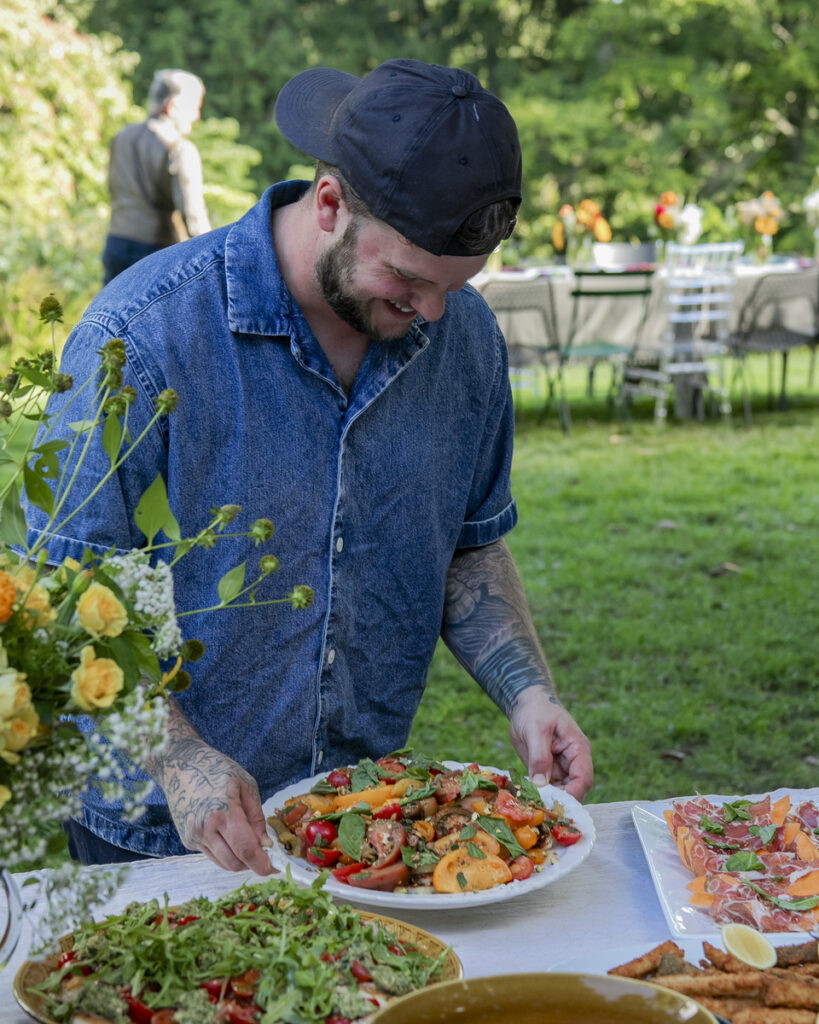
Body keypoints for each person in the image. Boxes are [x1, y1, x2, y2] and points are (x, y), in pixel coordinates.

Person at [26, 58, 593, 874]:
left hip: (352, 820)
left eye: (453, 285)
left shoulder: (463, 339)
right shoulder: (140, 338)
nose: (431, 313)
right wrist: (181, 761)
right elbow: (62, 594)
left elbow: (467, 542)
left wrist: (527, 691)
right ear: (328, 203)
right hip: (159, 835)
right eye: (405, 279)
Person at [102, 68, 212, 284]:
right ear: (172, 106)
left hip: (116, 243)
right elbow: (195, 220)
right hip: (157, 252)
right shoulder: (180, 149)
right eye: (194, 107)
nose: (197, 116)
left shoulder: (121, 137)